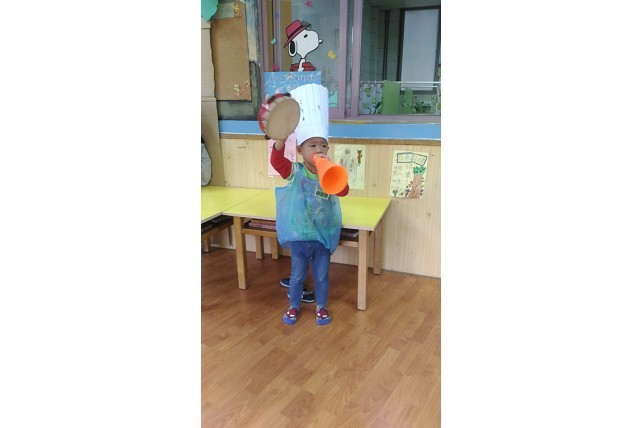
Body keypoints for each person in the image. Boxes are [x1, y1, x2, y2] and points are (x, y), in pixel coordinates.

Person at [269, 83, 349, 325]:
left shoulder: (330, 172)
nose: (319, 149)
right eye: (312, 145)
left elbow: (343, 191)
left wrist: (331, 172)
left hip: (322, 236)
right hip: (299, 235)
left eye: (323, 145)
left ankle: (321, 307)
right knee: (297, 276)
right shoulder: (295, 171)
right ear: (300, 149)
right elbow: (278, 163)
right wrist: (281, 141)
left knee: (322, 276)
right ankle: (293, 306)